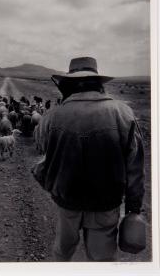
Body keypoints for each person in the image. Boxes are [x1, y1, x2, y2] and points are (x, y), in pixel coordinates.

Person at [33, 56, 145, 261]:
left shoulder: (51, 117)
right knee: (102, 260)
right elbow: (135, 168)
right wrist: (133, 207)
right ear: (98, 83)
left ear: (68, 84)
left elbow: (42, 151)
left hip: (66, 202)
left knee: (62, 252)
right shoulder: (124, 114)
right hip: (106, 204)